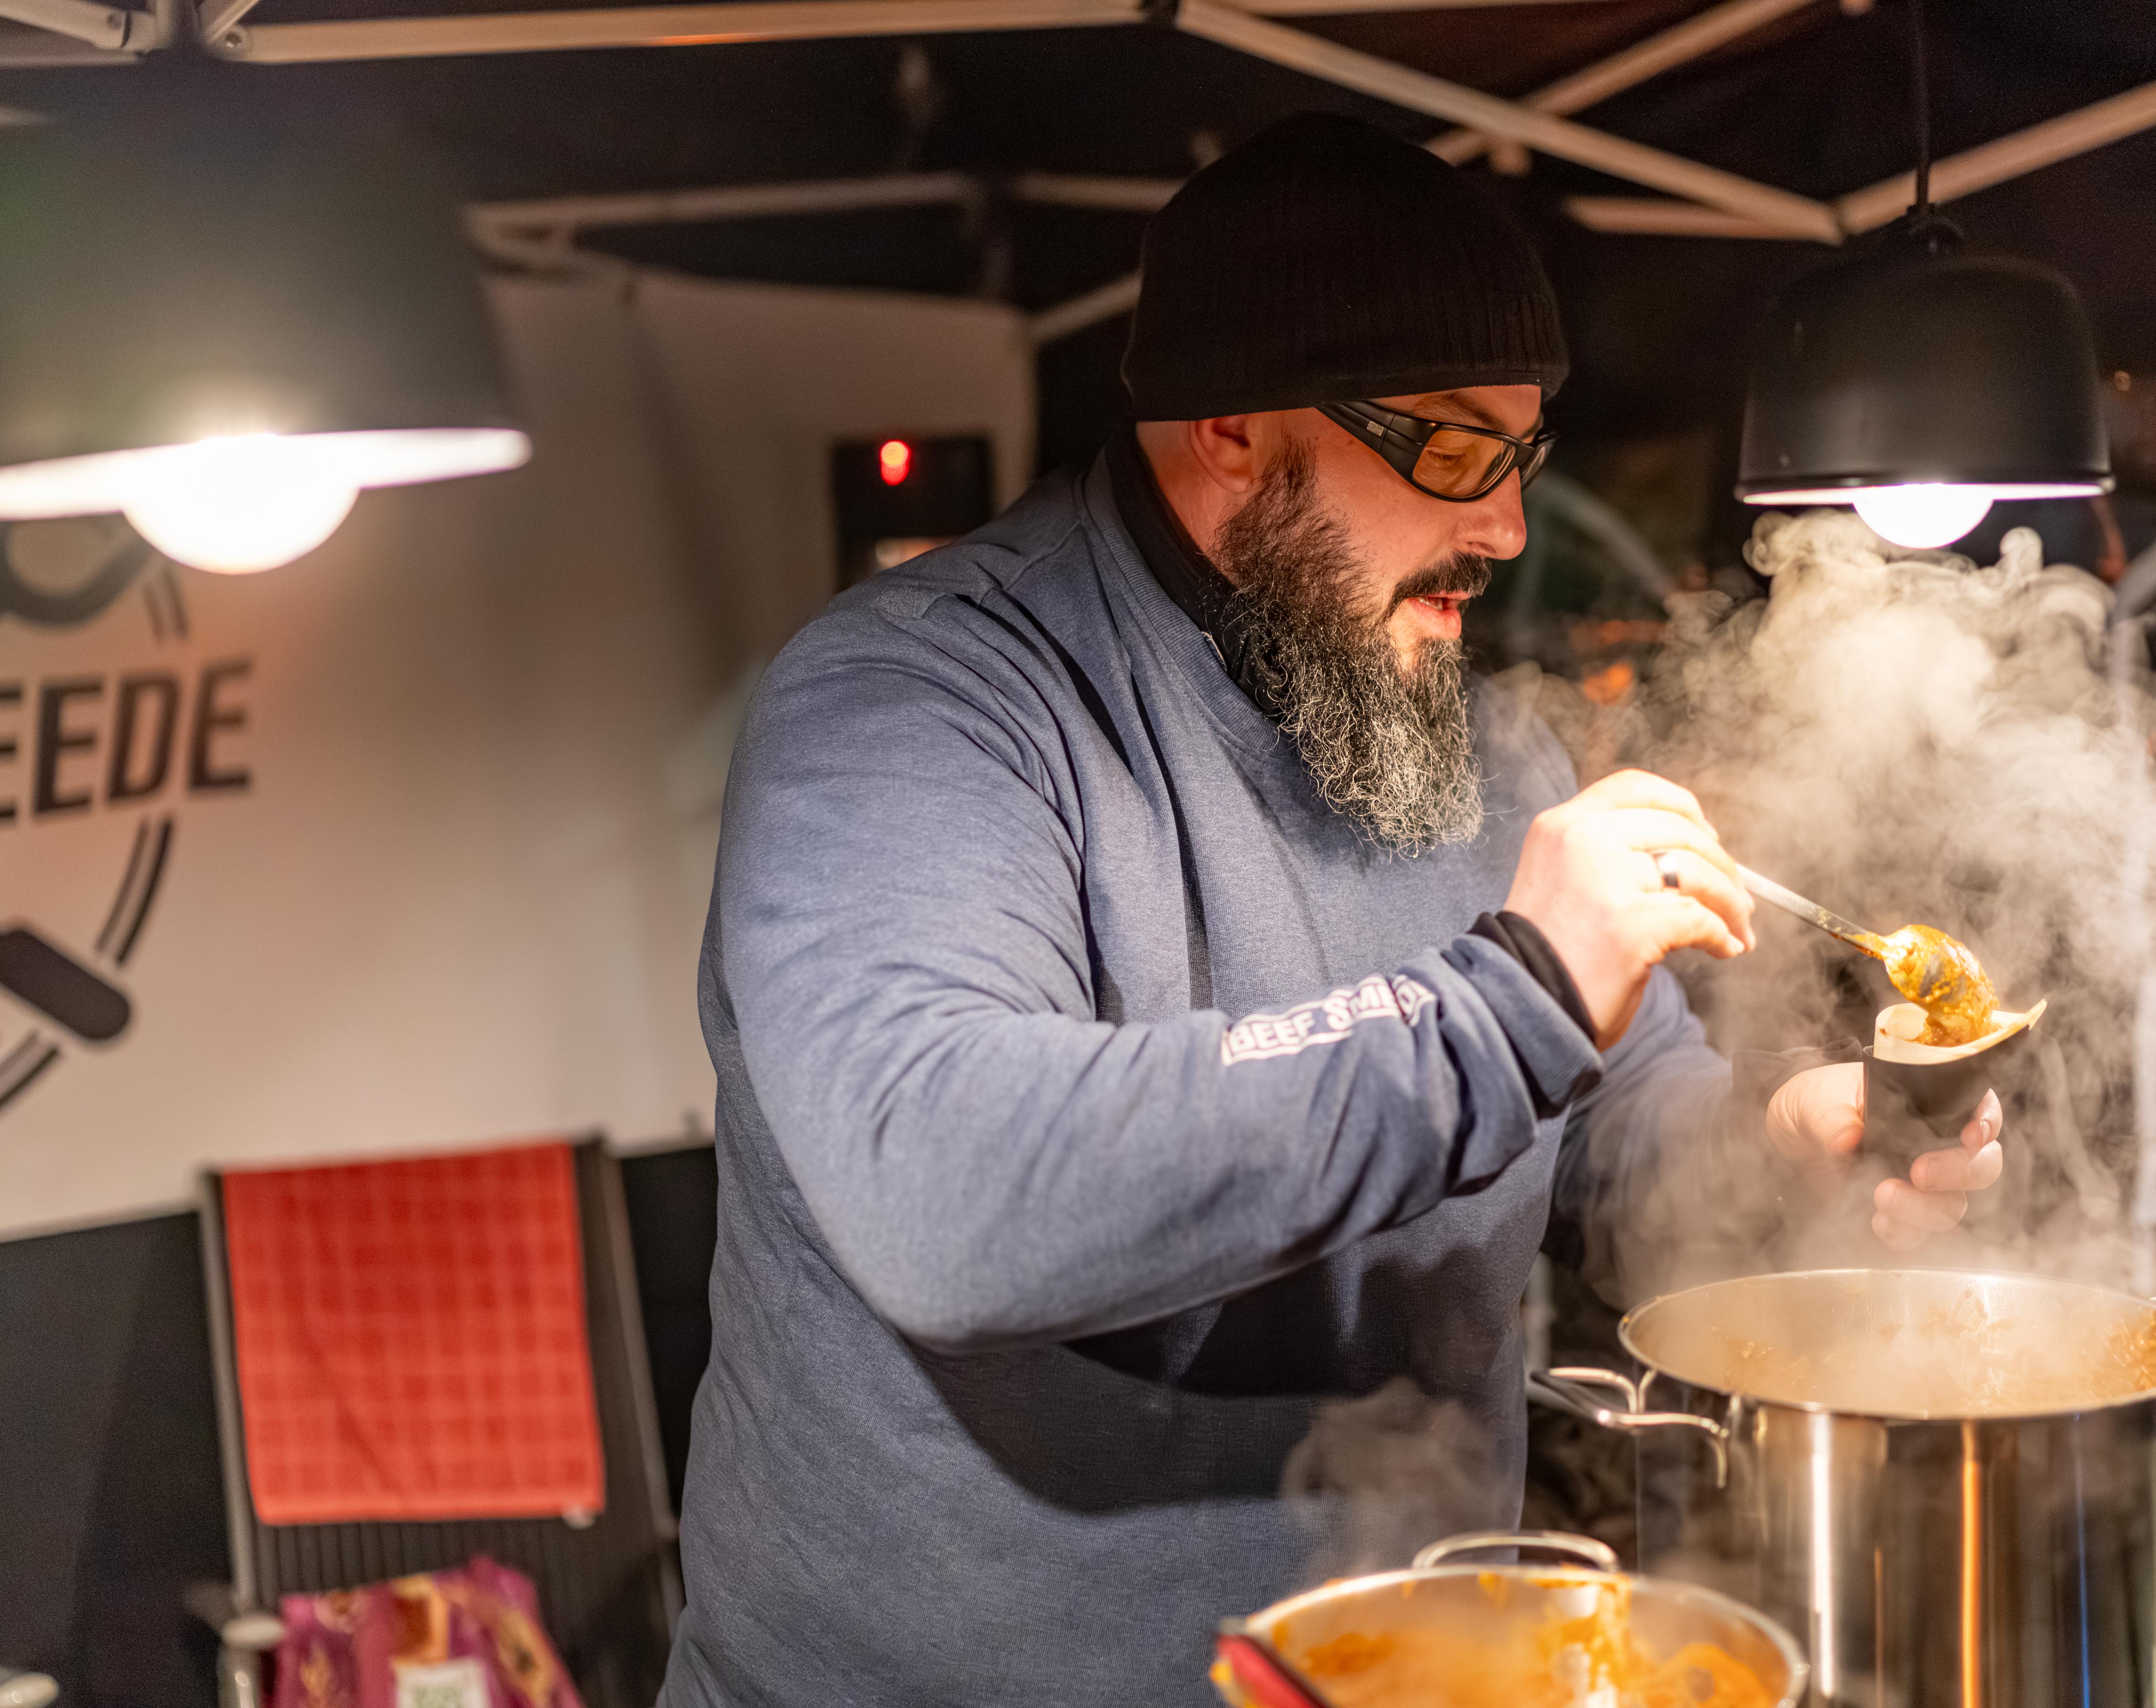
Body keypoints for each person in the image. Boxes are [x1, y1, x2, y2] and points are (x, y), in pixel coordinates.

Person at [664, 114, 2004, 1708]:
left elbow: (1608, 1138)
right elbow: (943, 1196)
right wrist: (1515, 994)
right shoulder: (915, 701)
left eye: (1523, 456)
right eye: (1452, 451)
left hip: (1405, 1674)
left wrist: (1786, 1151)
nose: (1506, 528)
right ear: (1231, 424)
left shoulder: (1475, 742)